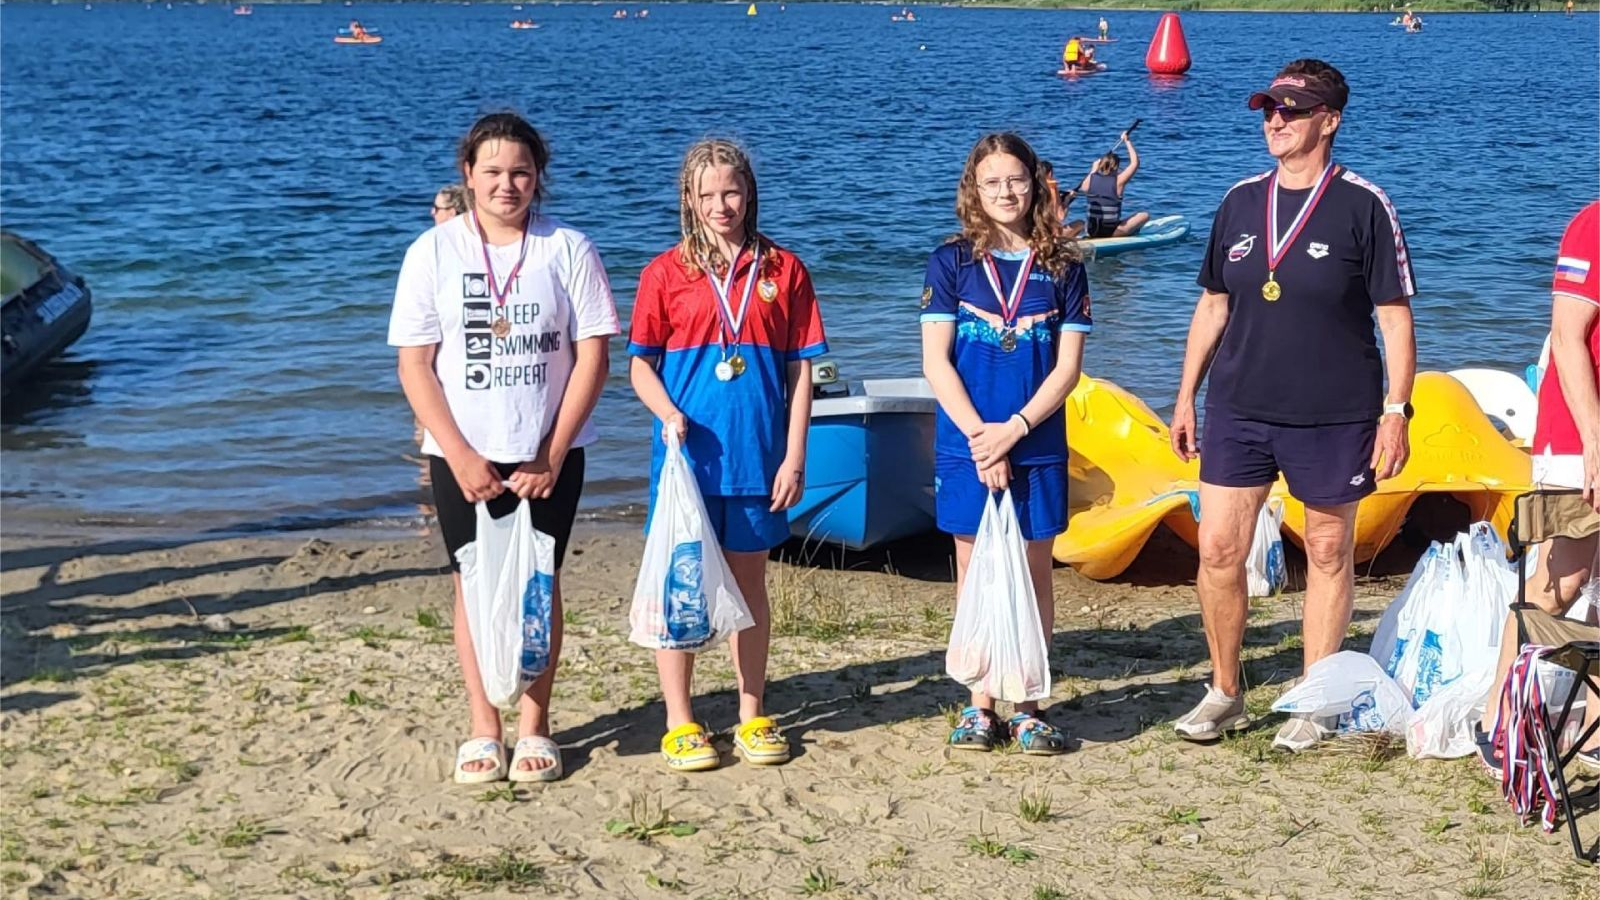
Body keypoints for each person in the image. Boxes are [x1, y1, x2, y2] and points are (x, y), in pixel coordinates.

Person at [1167, 59, 1418, 753]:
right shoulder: (1240, 201)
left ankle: (1316, 698)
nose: (1273, 120)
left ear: (1329, 121)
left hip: (1336, 410)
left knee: (1330, 549)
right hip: (1240, 406)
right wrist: (1185, 393)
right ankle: (1224, 690)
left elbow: (1394, 318)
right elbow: (1214, 302)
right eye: (1268, 109)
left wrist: (1397, 411)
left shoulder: (1365, 204)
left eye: (1290, 110)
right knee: (1219, 548)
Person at [389, 112, 620, 784]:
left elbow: (593, 356)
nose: (506, 184)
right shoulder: (432, 252)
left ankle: (534, 725)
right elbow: (415, 365)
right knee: (472, 585)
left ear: (537, 177)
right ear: (468, 176)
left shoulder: (567, 248)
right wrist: (458, 454)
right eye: (492, 171)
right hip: (462, 454)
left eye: (520, 171)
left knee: (538, 584)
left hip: (547, 452)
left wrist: (551, 449)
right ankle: (483, 729)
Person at [628, 139, 827, 772]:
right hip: (686, 466)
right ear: (689, 199)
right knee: (681, 588)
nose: (722, 205)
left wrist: (795, 454)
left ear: (750, 191)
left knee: (749, 589)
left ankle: (750, 711)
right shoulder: (665, 273)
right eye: (707, 194)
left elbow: (801, 372)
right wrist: (668, 413)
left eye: (732, 191)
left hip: (758, 461)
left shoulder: (784, 271)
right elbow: (639, 366)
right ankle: (680, 719)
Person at [921, 133, 1091, 756]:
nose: (1005, 192)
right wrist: (980, 439)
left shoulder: (1065, 266)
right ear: (974, 188)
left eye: (1016, 179)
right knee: (974, 572)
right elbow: (936, 363)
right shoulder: (951, 263)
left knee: (1033, 571)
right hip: (967, 442)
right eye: (992, 182)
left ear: (1036, 182)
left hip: (1036, 441)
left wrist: (1014, 431)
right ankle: (978, 706)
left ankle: (1028, 704)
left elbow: (1066, 370)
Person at [1475, 201, 1600, 775]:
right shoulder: (1592, 222)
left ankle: (1595, 728)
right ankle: (1496, 713)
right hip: (1578, 435)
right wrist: (1596, 441)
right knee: (1565, 577)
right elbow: (1567, 336)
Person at [1074, 135, 1148, 239]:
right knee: (1144, 215)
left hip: (1092, 231)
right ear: (1116, 167)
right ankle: (1128, 233)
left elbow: (1084, 186)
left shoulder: (1089, 180)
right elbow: (1135, 163)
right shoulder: (1118, 181)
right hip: (1110, 233)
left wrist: (1093, 168)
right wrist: (1127, 141)